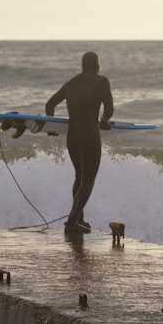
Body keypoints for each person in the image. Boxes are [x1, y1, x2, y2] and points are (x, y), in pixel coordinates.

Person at [45, 51, 114, 234]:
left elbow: (50, 104)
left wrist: (51, 125)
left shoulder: (71, 83)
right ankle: (72, 222)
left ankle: (79, 220)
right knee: (89, 180)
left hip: (72, 136)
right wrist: (105, 121)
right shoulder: (101, 82)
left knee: (79, 177)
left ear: (82, 66)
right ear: (97, 65)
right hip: (90, 135)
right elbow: (109, 109)